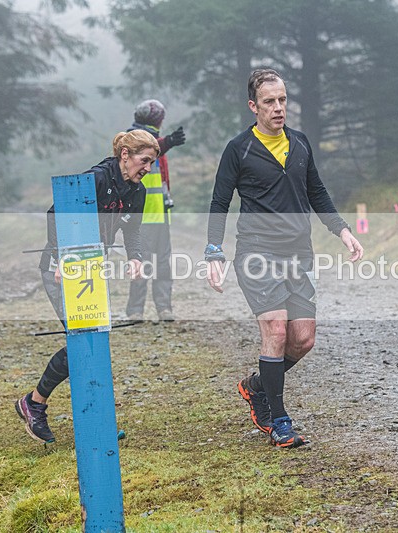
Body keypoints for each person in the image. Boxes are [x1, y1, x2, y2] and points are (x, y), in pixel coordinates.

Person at [205, 68, 363, 448]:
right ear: (253, 107)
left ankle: (257, 386)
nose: (279, 108)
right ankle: (279, 420)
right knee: (275, 331)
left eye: (283, 100)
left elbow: (317, 193)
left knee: (303, 340)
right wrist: (213, 250)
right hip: (256, 253)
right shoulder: (238, 149)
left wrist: (342, 230)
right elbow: (219, 203)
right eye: (270, 102)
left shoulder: (301, 143)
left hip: (299, 254)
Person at [15, 130, 160, 444]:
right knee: (84, 343)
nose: (147, 167)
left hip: (93, 271)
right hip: (62, 271)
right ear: (125, 154)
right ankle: (35, 403)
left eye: (152, 162)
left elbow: (132, 231)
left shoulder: (138, 191)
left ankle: (93, 421)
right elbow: (56, 213)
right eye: (144, 160)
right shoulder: (95, 179)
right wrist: (60, 259)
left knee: (93, 343)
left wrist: (135, 258)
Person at [125, 99, 186, 322]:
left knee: (161, 264)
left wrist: (166, 142)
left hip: (159, 213)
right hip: (143, 216)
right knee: (142, 263)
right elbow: (145, 151)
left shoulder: (153, 140)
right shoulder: (133, 139)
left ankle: (163, 309)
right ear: (158, 119)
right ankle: (135, 311)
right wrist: (168, 141)